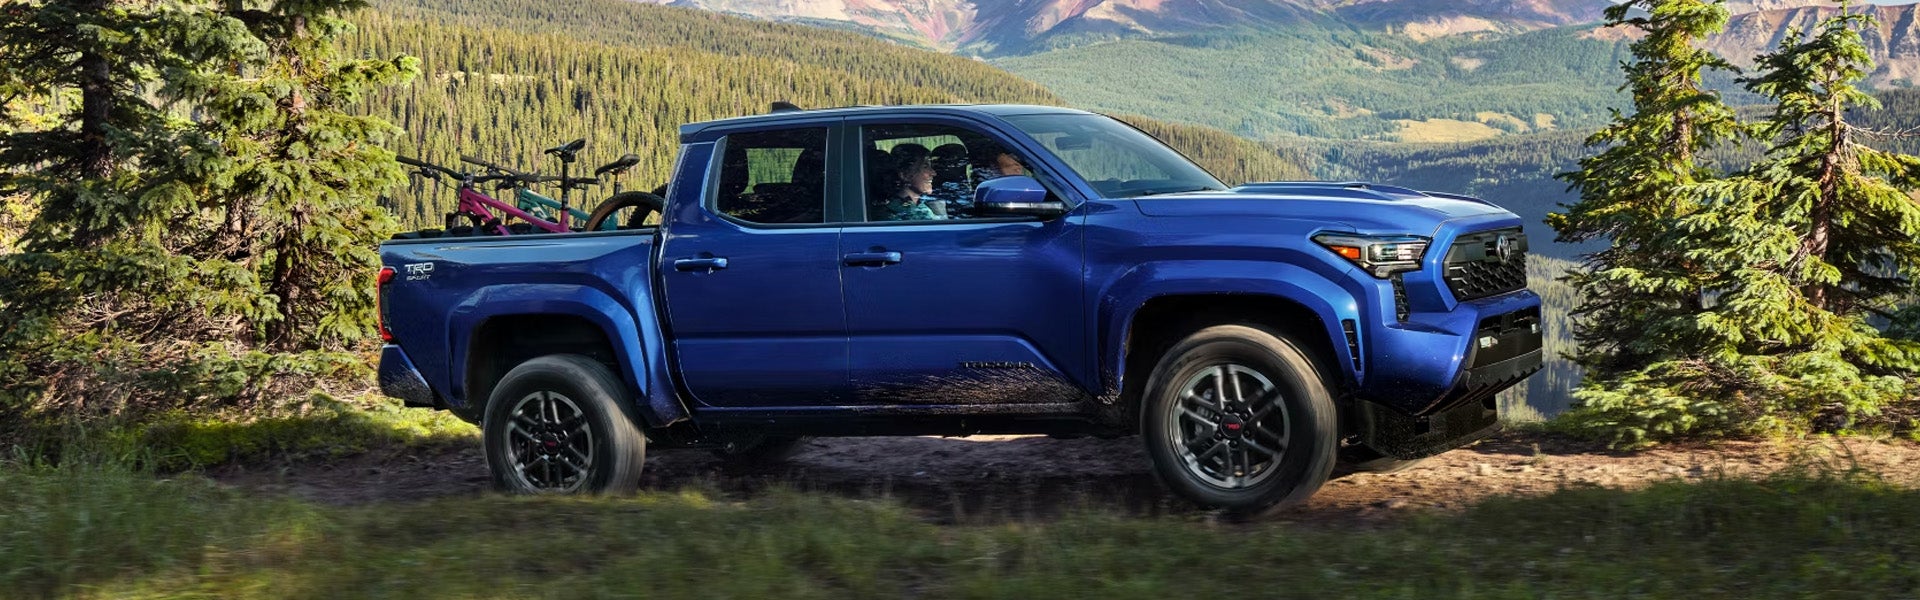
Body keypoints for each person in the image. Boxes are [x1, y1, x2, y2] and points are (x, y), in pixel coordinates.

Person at [874, 144, 945, 221]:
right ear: (905, 175)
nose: (933, 173)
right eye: (925, 167)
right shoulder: (891, 215)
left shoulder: (922, 205)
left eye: (930, 167)